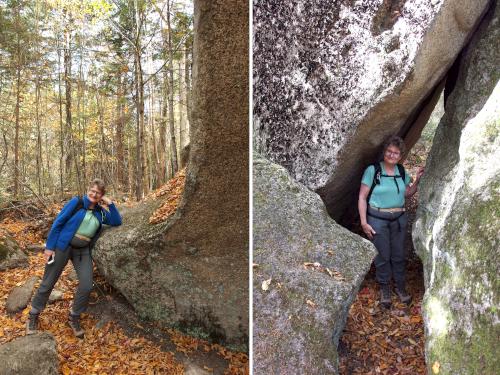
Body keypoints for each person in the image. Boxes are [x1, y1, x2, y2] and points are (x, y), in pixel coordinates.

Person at [26, 179, 122, 338]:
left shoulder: (100, 211)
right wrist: (49, 247)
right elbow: (58, 222)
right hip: (63, 246)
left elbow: (116, 221)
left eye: (98, 193)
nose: (94, 194)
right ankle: (33, 315)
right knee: (49, 281)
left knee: (86, 285)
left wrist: (110, 203)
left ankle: (74, 317)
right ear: (88, 190)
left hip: (82, 251)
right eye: (92, 190)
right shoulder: (76, 202)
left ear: (102, 196)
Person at [358, 136, 424, 308]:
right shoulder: (373, 171)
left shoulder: (401, 172)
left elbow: (408, 193)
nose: (392, 155)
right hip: (377, 219)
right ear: (384, 152)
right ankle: (385, 288)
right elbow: (362, 197)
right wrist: (364, 222)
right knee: (382, 256)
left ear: (400, 155)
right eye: (389, 151)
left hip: (398, 220)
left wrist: (417, 180)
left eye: (396, 153)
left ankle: (400, 287)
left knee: (398, 256)